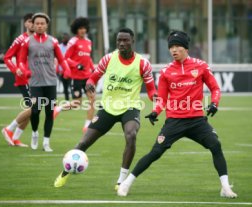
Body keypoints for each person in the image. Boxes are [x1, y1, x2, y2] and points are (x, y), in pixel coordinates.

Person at [117, 30, 238, 198]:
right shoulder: (166, 72)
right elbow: (162, 98)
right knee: (155, 153)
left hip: (197, 120)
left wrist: (214, 104)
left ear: (186, 48)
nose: (173, 50)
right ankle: (126, 183)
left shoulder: (201, 66)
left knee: (215, 146)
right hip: (175, 121)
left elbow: (215, 88)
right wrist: (155, 111)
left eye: (177, 46)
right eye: (171, 47)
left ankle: (225, 187)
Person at [54, 28, 157, 188]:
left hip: (130, 107)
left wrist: (155, 98)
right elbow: (93, 78)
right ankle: (64, 173)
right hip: (107, 108)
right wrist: (89, 84)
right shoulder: (108, 59)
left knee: (131, 135)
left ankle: (121, 181)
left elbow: (151, 89)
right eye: (119, 40)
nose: (122, 43)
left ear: (132, 41)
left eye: (125, 40)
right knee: (83, 144)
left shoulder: (143, 63)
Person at [19, 13, 71, 152]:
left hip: (51, 82)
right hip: (35, 83)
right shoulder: (27, 42)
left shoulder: (53, 41)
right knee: (35, 111)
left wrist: (66, 70)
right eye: (37, 23)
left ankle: (46, 142)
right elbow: (21, 61)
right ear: (33, 25)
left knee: (50, 112)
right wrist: (25, 71)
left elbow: (62, 59)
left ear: (46, 25)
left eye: (42, 23)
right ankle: (35, 133)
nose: (40, 25)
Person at [54, 17, 95, 132]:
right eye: (80, 28)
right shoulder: (73, 41)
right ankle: (59, 108)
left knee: (92, 100)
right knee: (77, 103)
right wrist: (76, 65)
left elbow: (88, 58)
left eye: (84, 28)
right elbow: (65, 58)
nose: (82, 30)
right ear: (76, 29)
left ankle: (87, 126)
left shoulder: (89, 42)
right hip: (76, 77)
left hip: (87, 77)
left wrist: (93, 69)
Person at [1, 13, 34, 147]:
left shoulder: (39, 40)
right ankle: (8, 129)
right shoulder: (20, 39)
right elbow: (7, 57)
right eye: (31, 22)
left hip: (36, 78)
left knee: (32, 111)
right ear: (26, 23)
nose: (34, 25)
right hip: (24, 79)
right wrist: (16, 70)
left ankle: (15, 138)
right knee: (34, 107)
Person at [56, 33, 72, 101]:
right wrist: (57, 69)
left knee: (71, 85)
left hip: (70, 70)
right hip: (61, 71)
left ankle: (75, 99)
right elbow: (57, 58)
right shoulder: (59, 47)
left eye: (65, 38)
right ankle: (67, 100)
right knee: (65, 86)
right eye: (63, 38)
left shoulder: (70, 47)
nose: (64, 39)